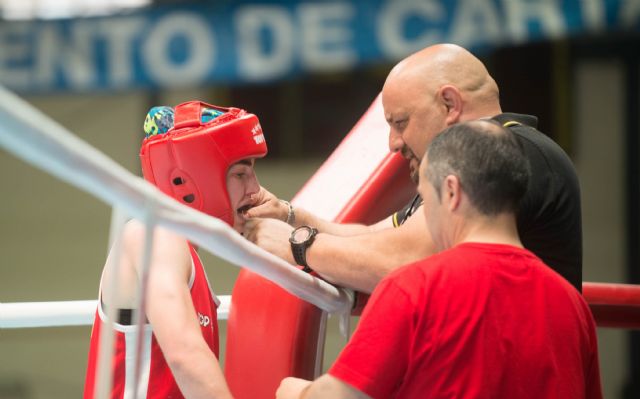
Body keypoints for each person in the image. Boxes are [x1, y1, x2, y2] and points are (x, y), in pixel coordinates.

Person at [274, 120, 604, 399]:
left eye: (425, 199)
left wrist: (296, 397)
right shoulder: (571, 303)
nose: (426, 215)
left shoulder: (413, 286)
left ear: (451, 191)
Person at [243, 43, 582, 295]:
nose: (393, 143)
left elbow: (407, 259)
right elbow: (378, 238)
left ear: (449, 104)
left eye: (401, 122)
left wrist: (297, 246)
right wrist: (290, 216)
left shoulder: (510, 152)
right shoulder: (461, 168)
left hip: (512, 378)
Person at [81, 102, 271, 399]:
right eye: (241, 173)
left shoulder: (182, 251)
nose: (255, 190)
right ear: (192, 177)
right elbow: (184, 356)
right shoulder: (154, 235)